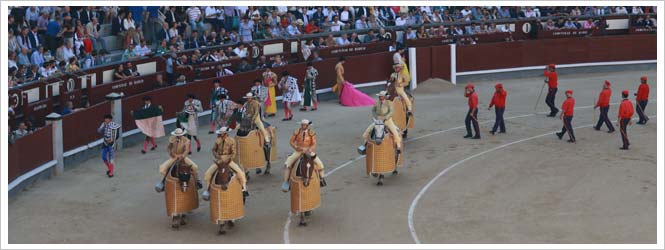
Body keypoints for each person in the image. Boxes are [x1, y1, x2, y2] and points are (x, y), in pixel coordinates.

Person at [281, 119, 325, 192]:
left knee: (320, 163)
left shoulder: (311, 133)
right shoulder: (297, 131)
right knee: (288, 163)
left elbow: (314, 143)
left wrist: (310, 149)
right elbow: (291, 141)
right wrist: (296, 147)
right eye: (302, 124)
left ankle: (322, 179)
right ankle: (286, 182)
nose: (303, 126)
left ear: (307, 126)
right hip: (299, 151)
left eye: (304, 125)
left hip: (308, 151)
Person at [203, 127, 248, 195]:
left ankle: (244, 189)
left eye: (223, 134)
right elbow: (213, 150)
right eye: (221, 134)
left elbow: (234, 153)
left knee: (240, 173)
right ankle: (208, 190)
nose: (221, 135)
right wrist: (217, 156)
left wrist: (229, 159)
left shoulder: (231, 141)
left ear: (226, 134)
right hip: (219, 160)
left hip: (228, 160)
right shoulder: (217, 141)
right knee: (208, 174)